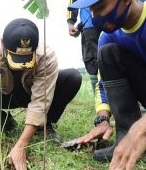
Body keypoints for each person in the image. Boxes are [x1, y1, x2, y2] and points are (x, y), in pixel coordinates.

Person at [0, 18, 82, 169]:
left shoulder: (46, 55)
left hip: (29, 93)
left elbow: (40, 102)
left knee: (73, 77)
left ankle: (45, 126)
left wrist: (21, 145)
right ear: (2, 44)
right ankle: (3, 120)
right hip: (3, 94)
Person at [69, 0, 146, 167]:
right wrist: (102, 119)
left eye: (101, 8)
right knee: (107, 53)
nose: (96, 18)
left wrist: (142, 128)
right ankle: (125, 137)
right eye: (92, 11)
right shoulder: (109, 38)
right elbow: (103, 84)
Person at [67, 0, 101, 92]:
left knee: (93, 60)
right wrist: (72, 23)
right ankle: (101, 101)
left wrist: (71, 23)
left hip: (91, 25)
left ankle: (102, 101)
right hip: (91, 24)